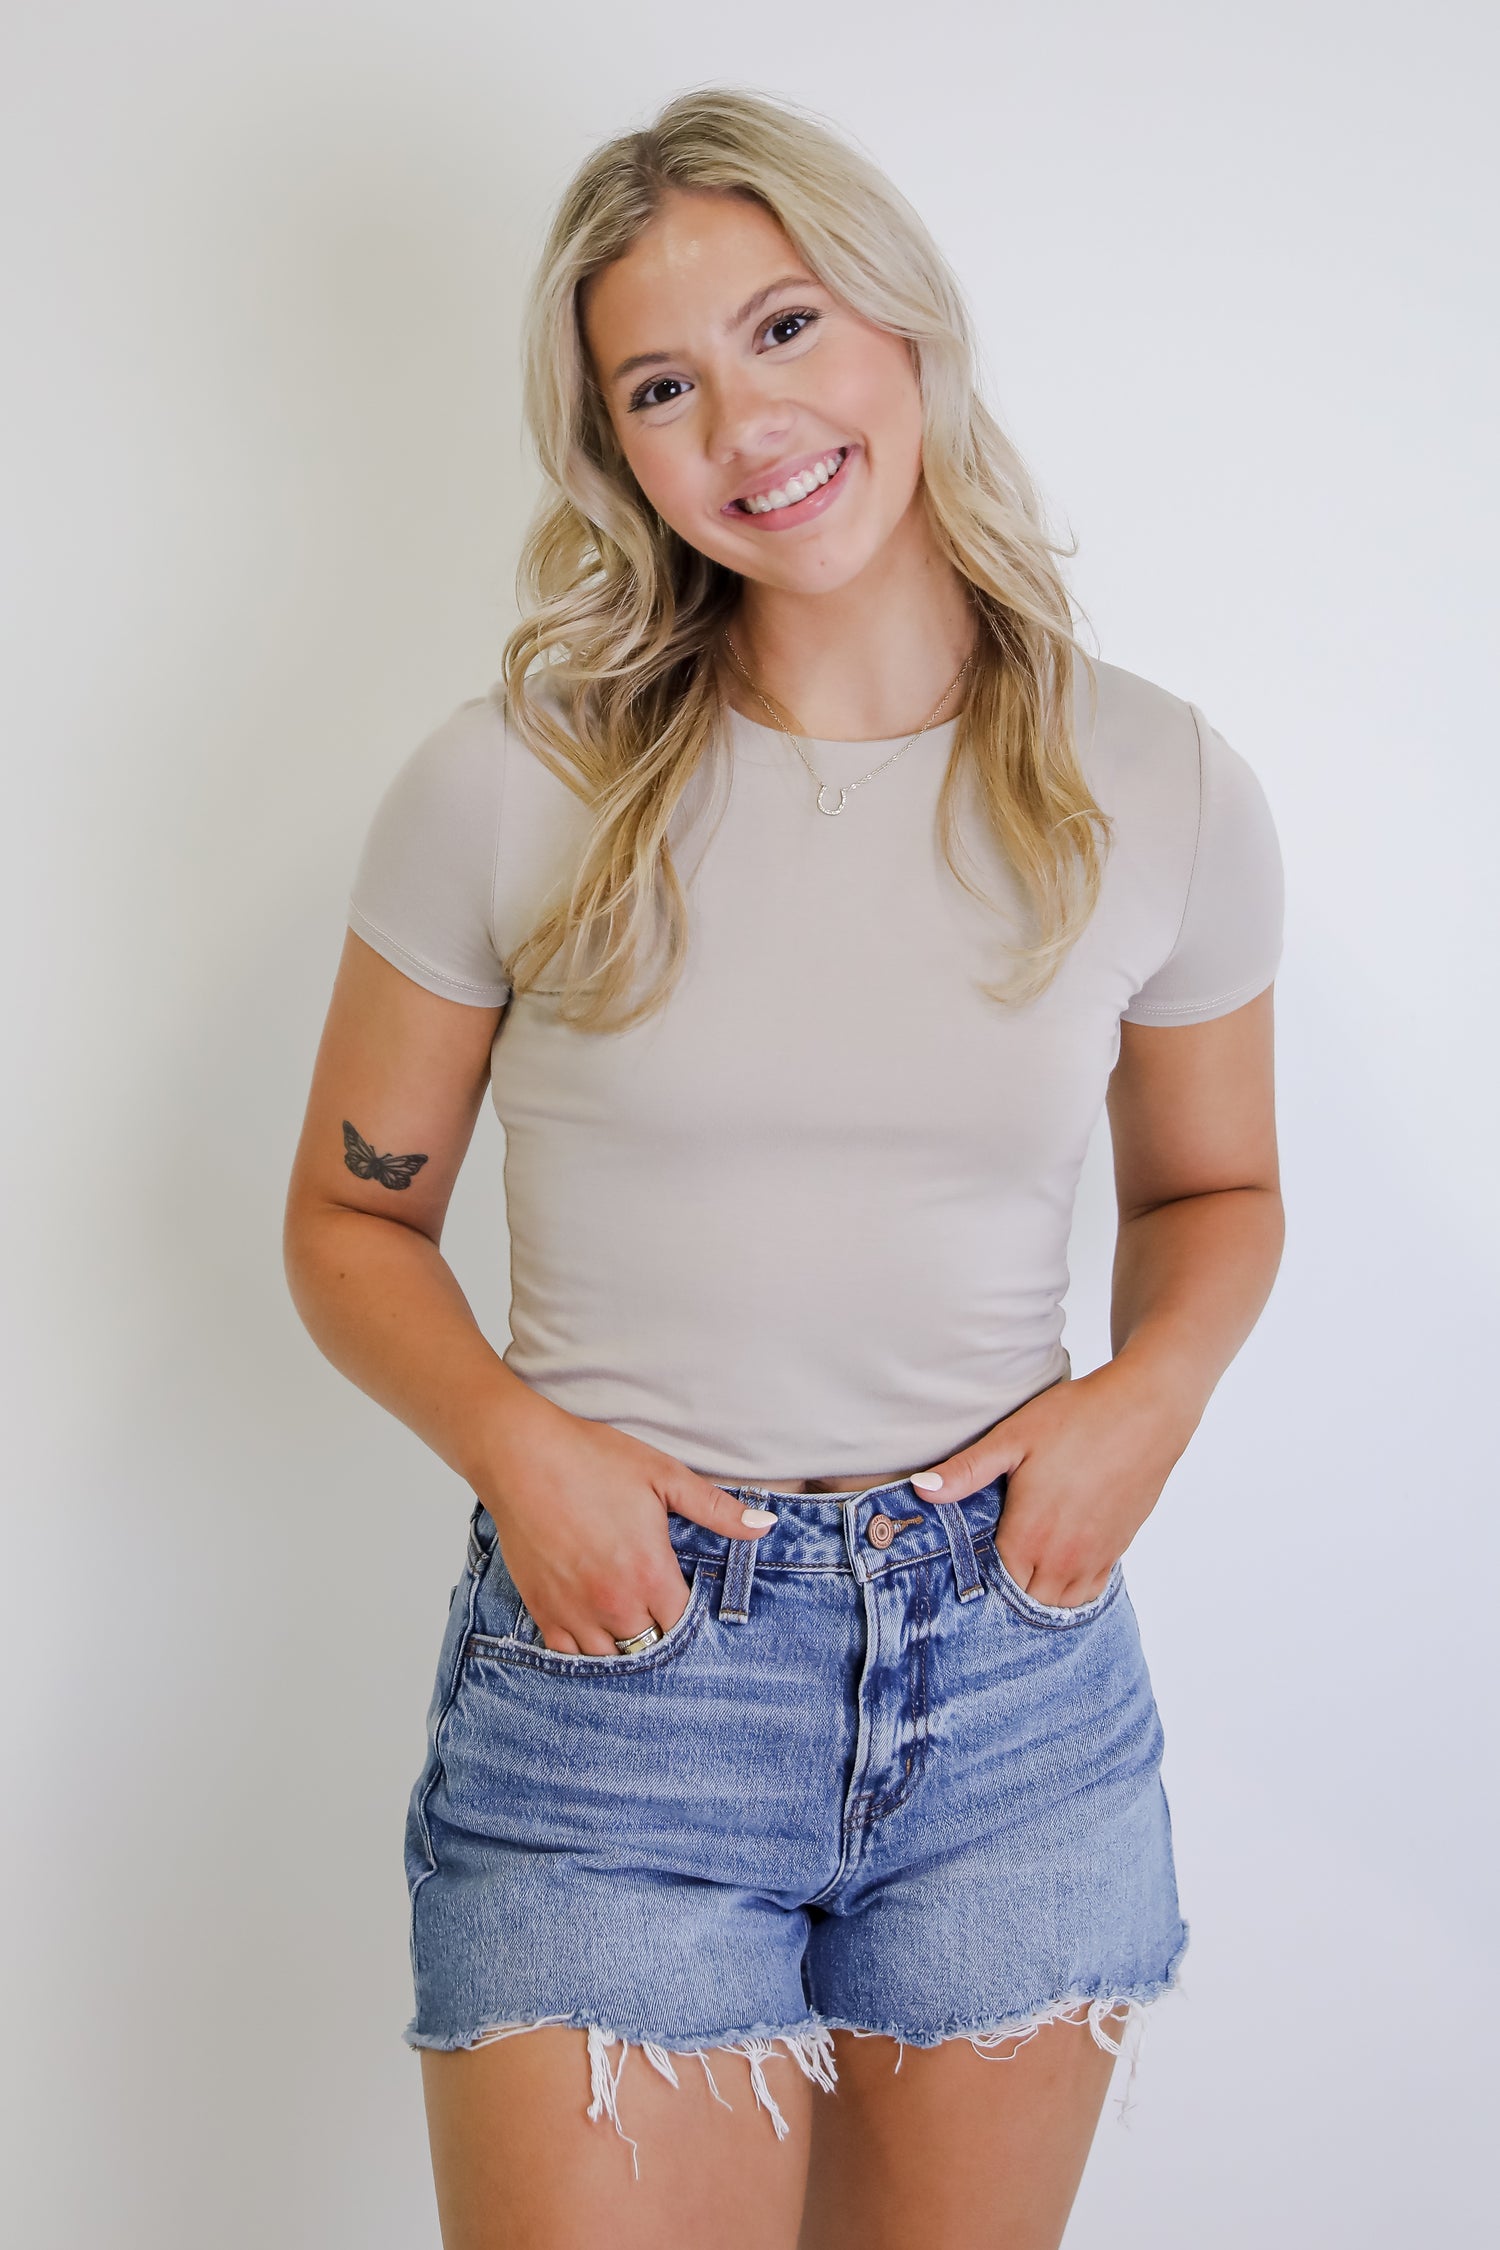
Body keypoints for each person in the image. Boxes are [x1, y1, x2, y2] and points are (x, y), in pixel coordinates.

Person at [283, 85, 1284, 2250]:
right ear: (616, 449)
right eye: (662, 385)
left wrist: (1148, 1398)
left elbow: (1215, 1191)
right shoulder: (512, 783)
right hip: (620, 1684)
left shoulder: (1159, 780)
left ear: (903, 322)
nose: (746, 423)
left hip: (1014, 1680)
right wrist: (522, 1453)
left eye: (786, 325)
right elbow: (353, 1215)